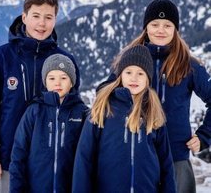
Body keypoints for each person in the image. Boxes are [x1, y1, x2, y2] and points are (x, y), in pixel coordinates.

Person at [0, 0, 80, 193]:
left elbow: (72, 107)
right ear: (24, 17)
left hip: (52, 163)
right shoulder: (1, 57)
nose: (42, 23)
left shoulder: (65, 61)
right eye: (36, 16)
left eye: (48, 17)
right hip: (8, 158)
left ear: (55, 20)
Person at [111, 0, 211, 193]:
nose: (160, 30)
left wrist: (205, 136)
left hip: (176, 157)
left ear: (176, 29)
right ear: (146, 28)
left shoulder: (189, 65)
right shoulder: (131, 60)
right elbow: (106, 91)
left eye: (167, 25)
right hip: (136, 153)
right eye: (154, 24)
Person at [73, 45, 176, 193]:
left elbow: (166, 164)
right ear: (120, 75)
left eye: (140, 73)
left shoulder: (154, 112)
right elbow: (84, 158)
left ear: (148, 79)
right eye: (128, 72)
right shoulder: (103, 108)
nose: (134, 78)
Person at [9, 54, 88, 193]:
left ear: (72, 82)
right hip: (36, 188)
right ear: (45, 82)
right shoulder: (34, 112)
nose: (57, 83)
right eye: (52, 78)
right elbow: (18, 154)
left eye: (63, 78)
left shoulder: (82, 113)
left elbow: (89, 156)